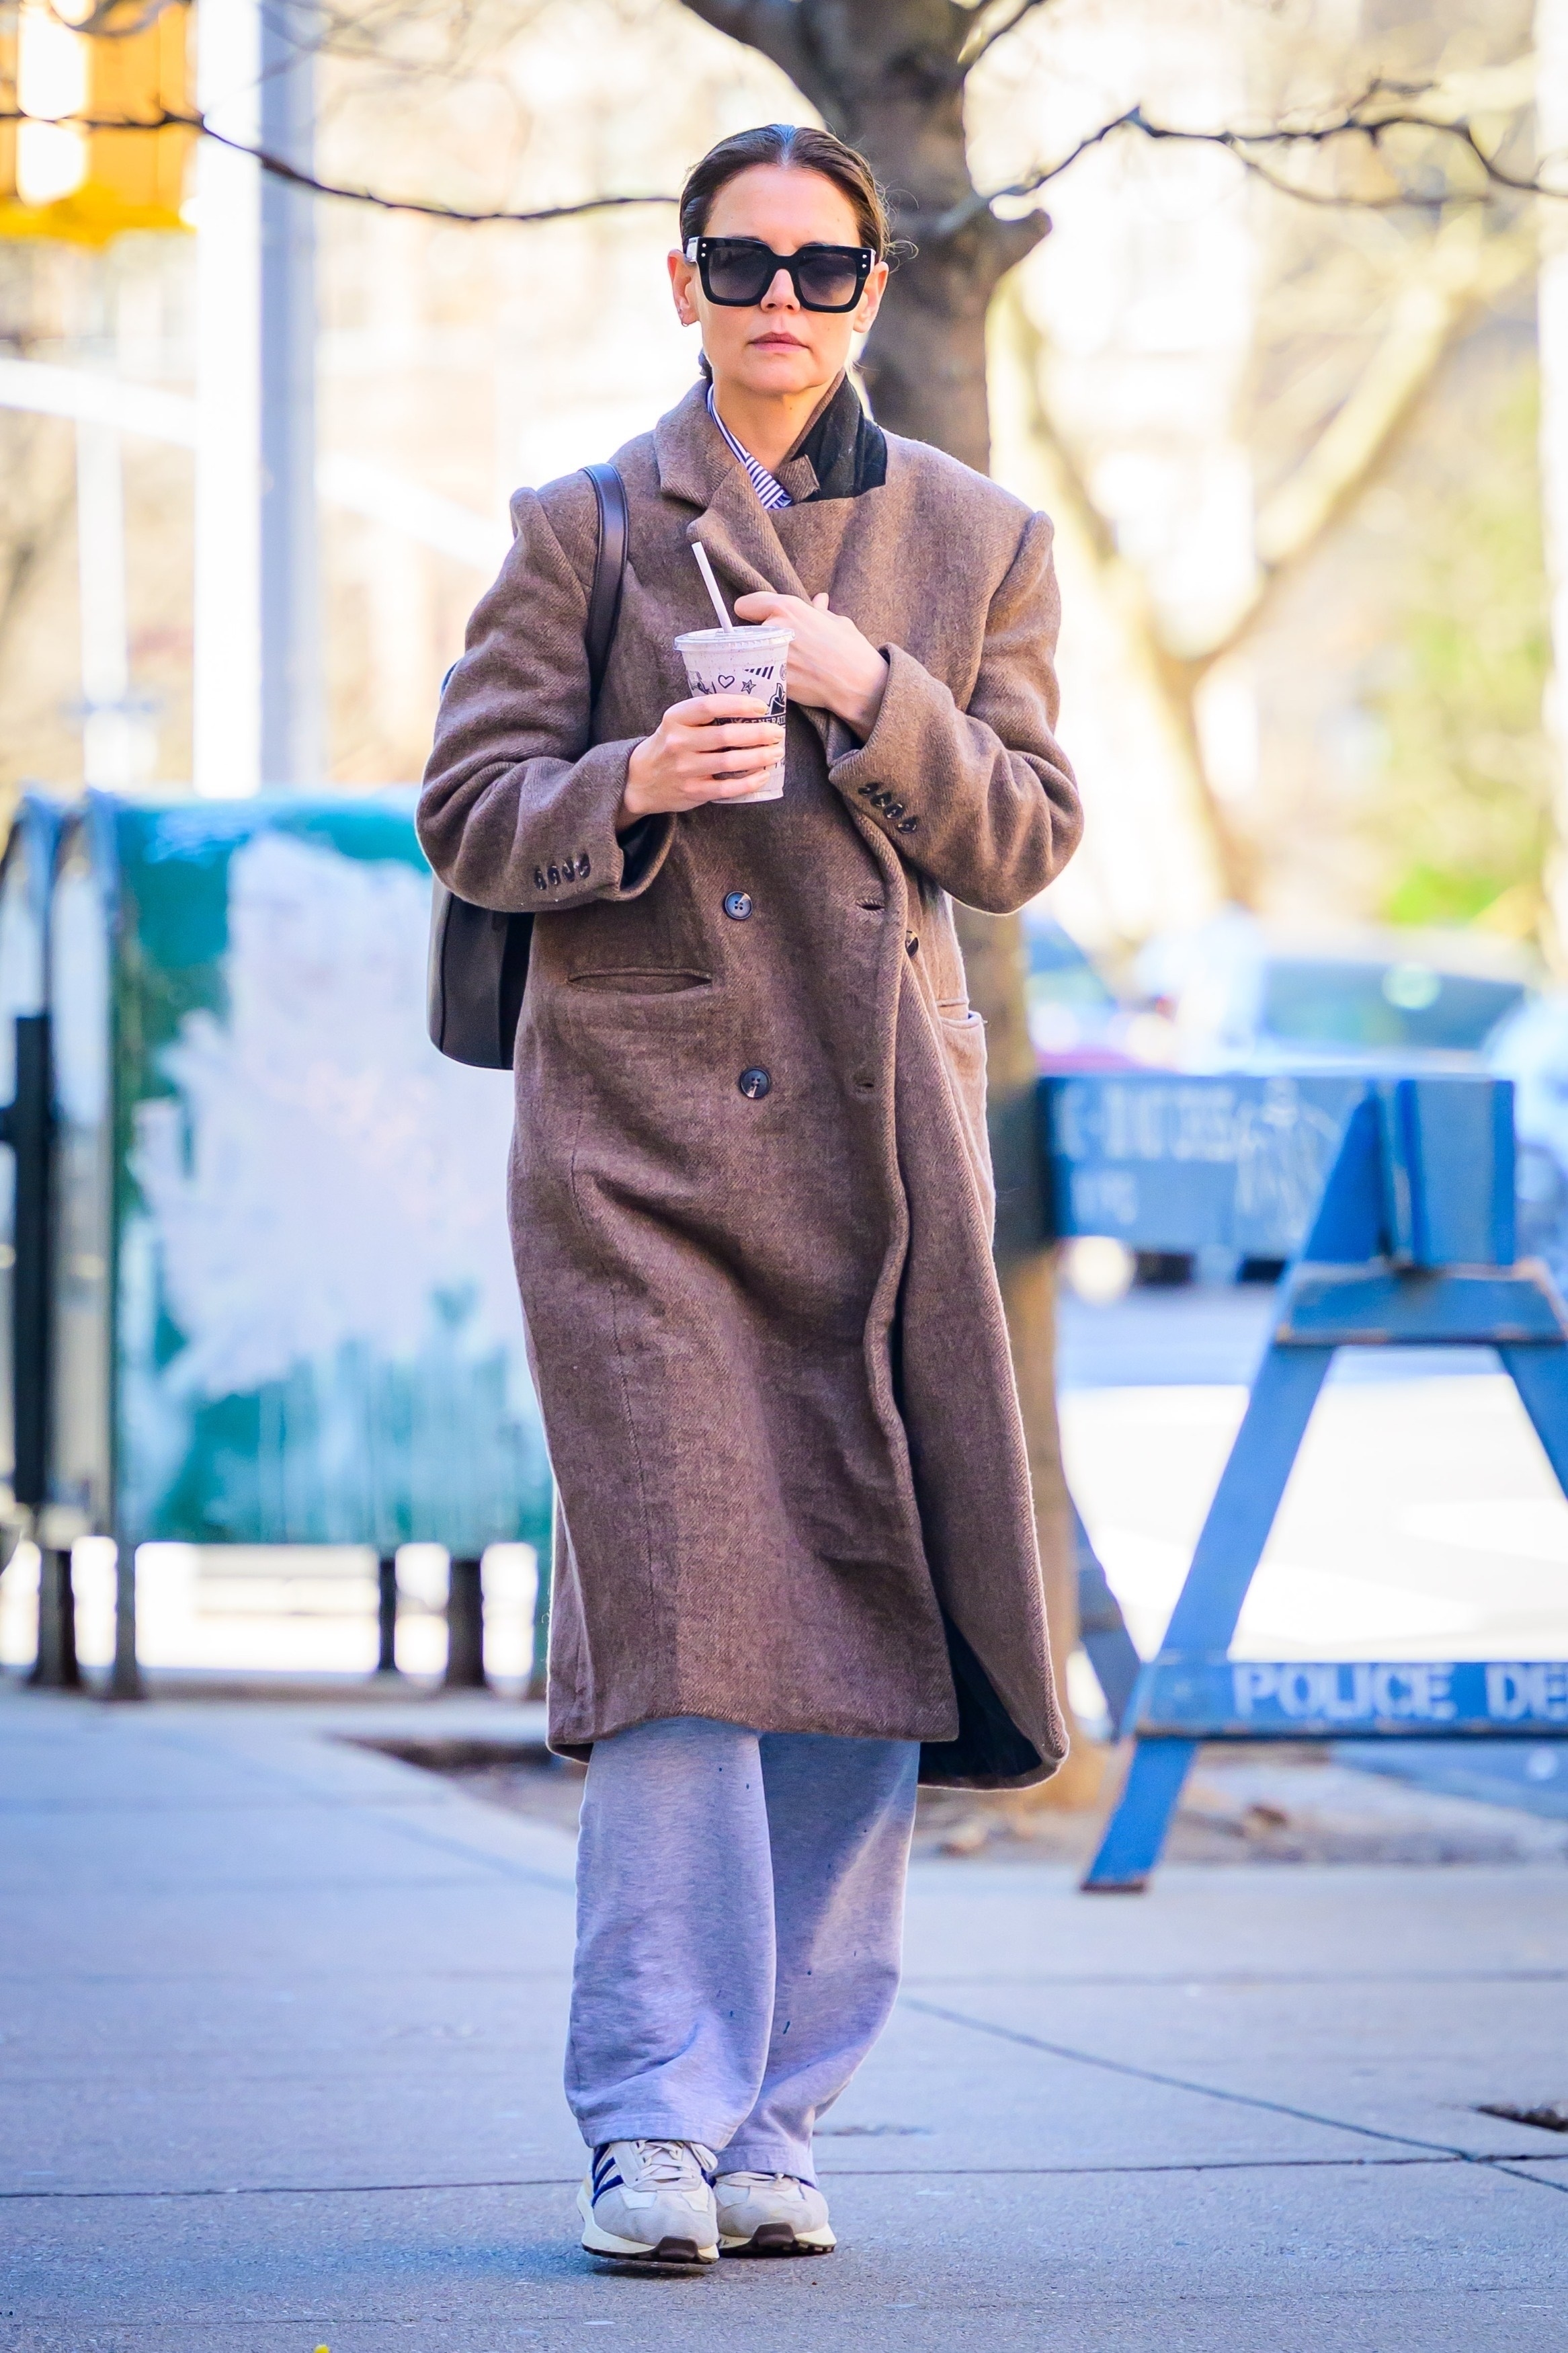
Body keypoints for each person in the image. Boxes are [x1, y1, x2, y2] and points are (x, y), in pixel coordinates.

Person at [418, 120, 1083, 2269]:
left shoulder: (977, 539)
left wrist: (863, 689)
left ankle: (788, 2111)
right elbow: (464, 811)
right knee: (690, 1636)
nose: (780, 303)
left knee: (863, 1628)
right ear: (681, 279)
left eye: (822, 270)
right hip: (634, 1158)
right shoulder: (585, 528)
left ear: (875, 291)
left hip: (877, 1158)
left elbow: (1030, 830)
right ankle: (650, 2118)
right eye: (741, 262)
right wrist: (631, 781)